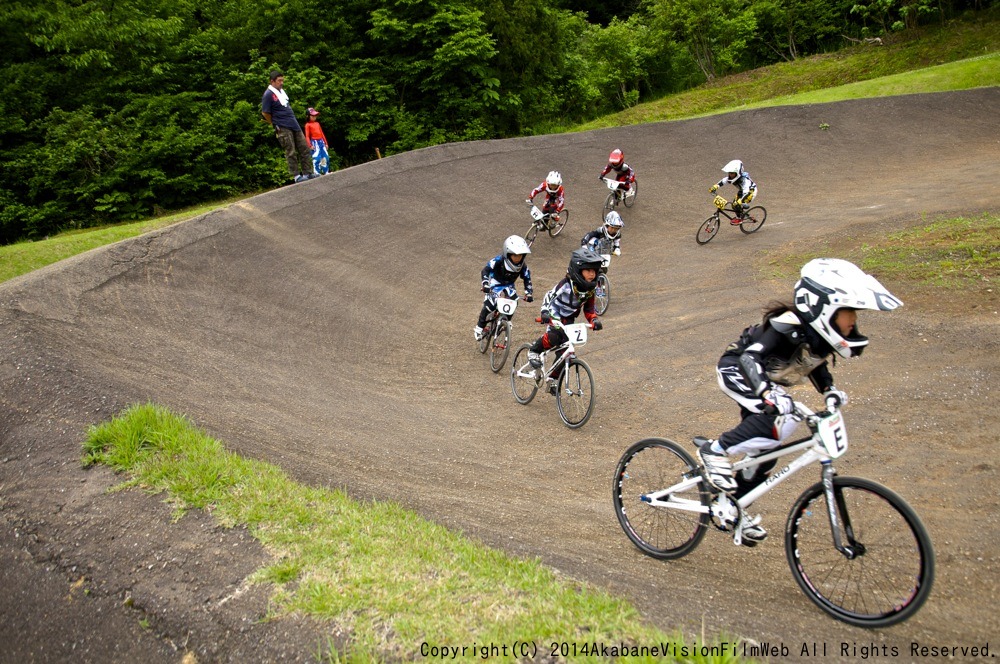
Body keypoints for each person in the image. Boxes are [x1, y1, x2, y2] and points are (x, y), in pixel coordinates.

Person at [696, 258, 904, 543]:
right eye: (849, 312)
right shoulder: (788, 324)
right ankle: (714, 450)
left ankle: (732, 507)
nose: (853, 320)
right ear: (824, 308)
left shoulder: (817, 335)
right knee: (778, 418)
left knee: (766, 452)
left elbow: (815, 364)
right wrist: (768, 394)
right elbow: (749, 357)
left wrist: (828, 390)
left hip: (764, 381)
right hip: (738, 369)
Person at [527, 248, 604, 392]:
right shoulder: (566, 284)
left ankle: (552, 379)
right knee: (556, 336)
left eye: (594, 270)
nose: (592, 274)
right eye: (588, 270)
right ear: (577, 269)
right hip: (554, 312)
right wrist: (545, 311)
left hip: (569, 318)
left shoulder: (590, 290)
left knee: (567, 352)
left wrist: (594, 320)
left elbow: (589, 309)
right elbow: (549, 296)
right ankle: (534, 350)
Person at [261, 70, 317, 184]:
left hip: (293, 123)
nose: (281, 83)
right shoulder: (268, 94)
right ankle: (296, 176)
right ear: (272, 81)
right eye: (279, 81)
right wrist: (273, 123)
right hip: (282, 125)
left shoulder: (282, 92)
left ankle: (308, 172)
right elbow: (265, 112)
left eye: (282, 80)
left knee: (304, 147)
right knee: (290, 151)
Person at [475, 235, 534, 341]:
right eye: (515, 255)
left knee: (514, 301)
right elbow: (486, 270)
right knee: (490, 305)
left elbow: (527, 278)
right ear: (508, 253)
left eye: (520, 255)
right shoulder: (499, 260)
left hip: (509, 285)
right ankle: (479, 328)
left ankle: (507, 320)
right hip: (495, 283)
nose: (517, 258)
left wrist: (528, 293)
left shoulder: (523, 266)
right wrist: (485, 284)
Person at [304, 107, 330, 175]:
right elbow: (307, 136)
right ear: (308, 116)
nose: (314, 117)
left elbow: (322, 133)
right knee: (317, 158)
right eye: (312, 116)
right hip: (314, 142)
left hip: (321, 141)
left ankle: (326, 171)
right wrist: (310, 145)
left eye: (315, 115)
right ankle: (317, 172)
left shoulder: (317, 124)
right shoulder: (307, 125)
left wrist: (326, 143)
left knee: (325, 156)